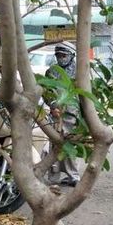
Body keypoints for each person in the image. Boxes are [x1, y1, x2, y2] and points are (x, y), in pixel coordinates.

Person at [44, 44, 81, 186]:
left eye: (64, 55)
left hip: (72, 113)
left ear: (71, 55)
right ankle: (54, 176)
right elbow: (47, 91)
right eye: (58, 55)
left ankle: (73, 175)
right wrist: (53, 106)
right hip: (56, 113)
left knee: (69, 143)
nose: (61, 58)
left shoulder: (79, 71)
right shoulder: (51, 71)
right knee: (54, 143)